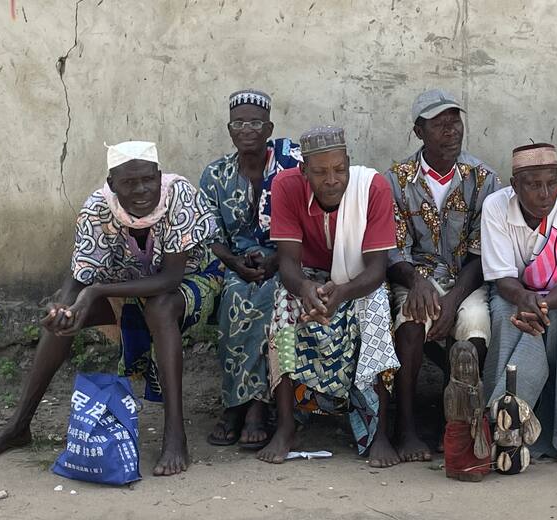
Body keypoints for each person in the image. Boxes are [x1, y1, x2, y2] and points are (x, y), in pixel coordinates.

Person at [0, 141, 223, 477]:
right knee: (66, 319)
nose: (141, 190)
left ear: (159, 175)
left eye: (148, 179)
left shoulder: (178, 194)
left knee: (160, 308)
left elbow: (170, 278)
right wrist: (65, 307)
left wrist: (98, 291)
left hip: (191, 280)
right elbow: (81, 274)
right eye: (129, 183)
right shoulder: (97, 208)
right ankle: (19, 425)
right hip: (127, 287)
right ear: (111, 183)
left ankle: (175, 435)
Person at [257, 125, 402, 467]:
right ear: (303, 170)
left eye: (339, 169)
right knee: (283, 305)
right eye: (320, 172)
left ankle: (379, 431)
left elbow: (376, 270)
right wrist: (305, 289)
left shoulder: (372, 188)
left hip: (358, 279)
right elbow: (288, 265)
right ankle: (286, 426)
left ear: (349, 163)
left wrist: (343, 292)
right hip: (309, 277)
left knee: (377, 306)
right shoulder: (286, 186)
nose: (332, 180)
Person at [383, 89, 500, 463]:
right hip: (414, 277)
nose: (451, 131)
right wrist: (417, 283)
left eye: (455, 122)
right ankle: (406, 426)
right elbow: (393, 250)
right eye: (440, 125)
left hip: (465, 279)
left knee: (475, 326)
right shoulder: (396, 180)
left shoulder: (483, 178)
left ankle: (460, 424)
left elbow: (483, 254)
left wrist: (452, 301)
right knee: (410, 322)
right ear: (419, 132)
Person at [480, 143, 557, 466]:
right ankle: (502, 426)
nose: (545, 194)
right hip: (512, 294)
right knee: (504, 318)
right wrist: (524, 300)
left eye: (551, 183)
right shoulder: (496, 206)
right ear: (515, 185)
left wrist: (538, 306)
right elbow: (503, 279)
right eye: (533, 185)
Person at [199, 89, 301, 449]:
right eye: (238, 123)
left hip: (285, 258)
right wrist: (235, 263)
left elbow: (305, 223)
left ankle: (253, 407)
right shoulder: (216, 175)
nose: (246, 130)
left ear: (269, 128)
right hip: (235, 263)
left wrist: (277, 260)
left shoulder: (291, 168)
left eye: (255, 123)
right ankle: (237, 404)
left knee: (271, 294)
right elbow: (208, 234)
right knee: (235, 294)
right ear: (229, 130)